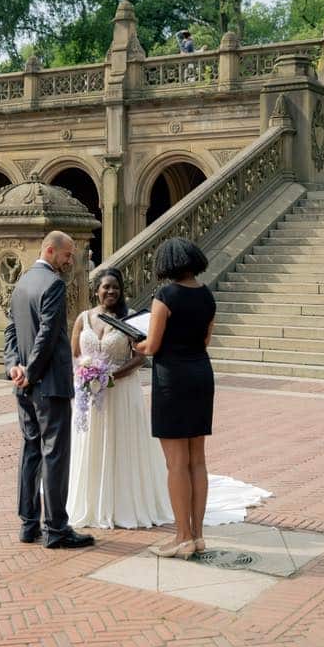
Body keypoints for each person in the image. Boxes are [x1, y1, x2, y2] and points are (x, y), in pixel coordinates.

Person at [3, 231, 95, 550]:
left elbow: (11, 331)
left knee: (31, 449)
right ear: (50, 250)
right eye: (67, 255)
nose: (70, 261)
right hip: (48, 384)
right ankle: (56, 528)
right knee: (54, 454)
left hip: (24, 386)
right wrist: (30, 371)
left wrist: (14, 365)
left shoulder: (23, 282)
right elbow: (47, 333)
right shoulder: (53, 284)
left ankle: (29, 524)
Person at [67, 268, 173, 529]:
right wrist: (85, 372)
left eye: (115, 287)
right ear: (96, 290)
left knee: (121, 444)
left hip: (122, 392)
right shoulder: (84, 318)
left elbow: (140, 356)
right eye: (106, 287)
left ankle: (122, 504)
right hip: (91, 396)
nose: (111, 291)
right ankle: (92, 504)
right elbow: (74, 352)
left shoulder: (129, 320)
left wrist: (112, 376)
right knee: (93, 443)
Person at [135, 237, 216, 559]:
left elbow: (151, 346)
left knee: (175, 463)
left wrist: (134, 344)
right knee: (198, 459)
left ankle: (182, 536)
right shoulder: (207, 295)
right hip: (201, 374)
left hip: (172, 379)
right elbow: (206, 340)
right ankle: (197, 534)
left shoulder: (165, 295)